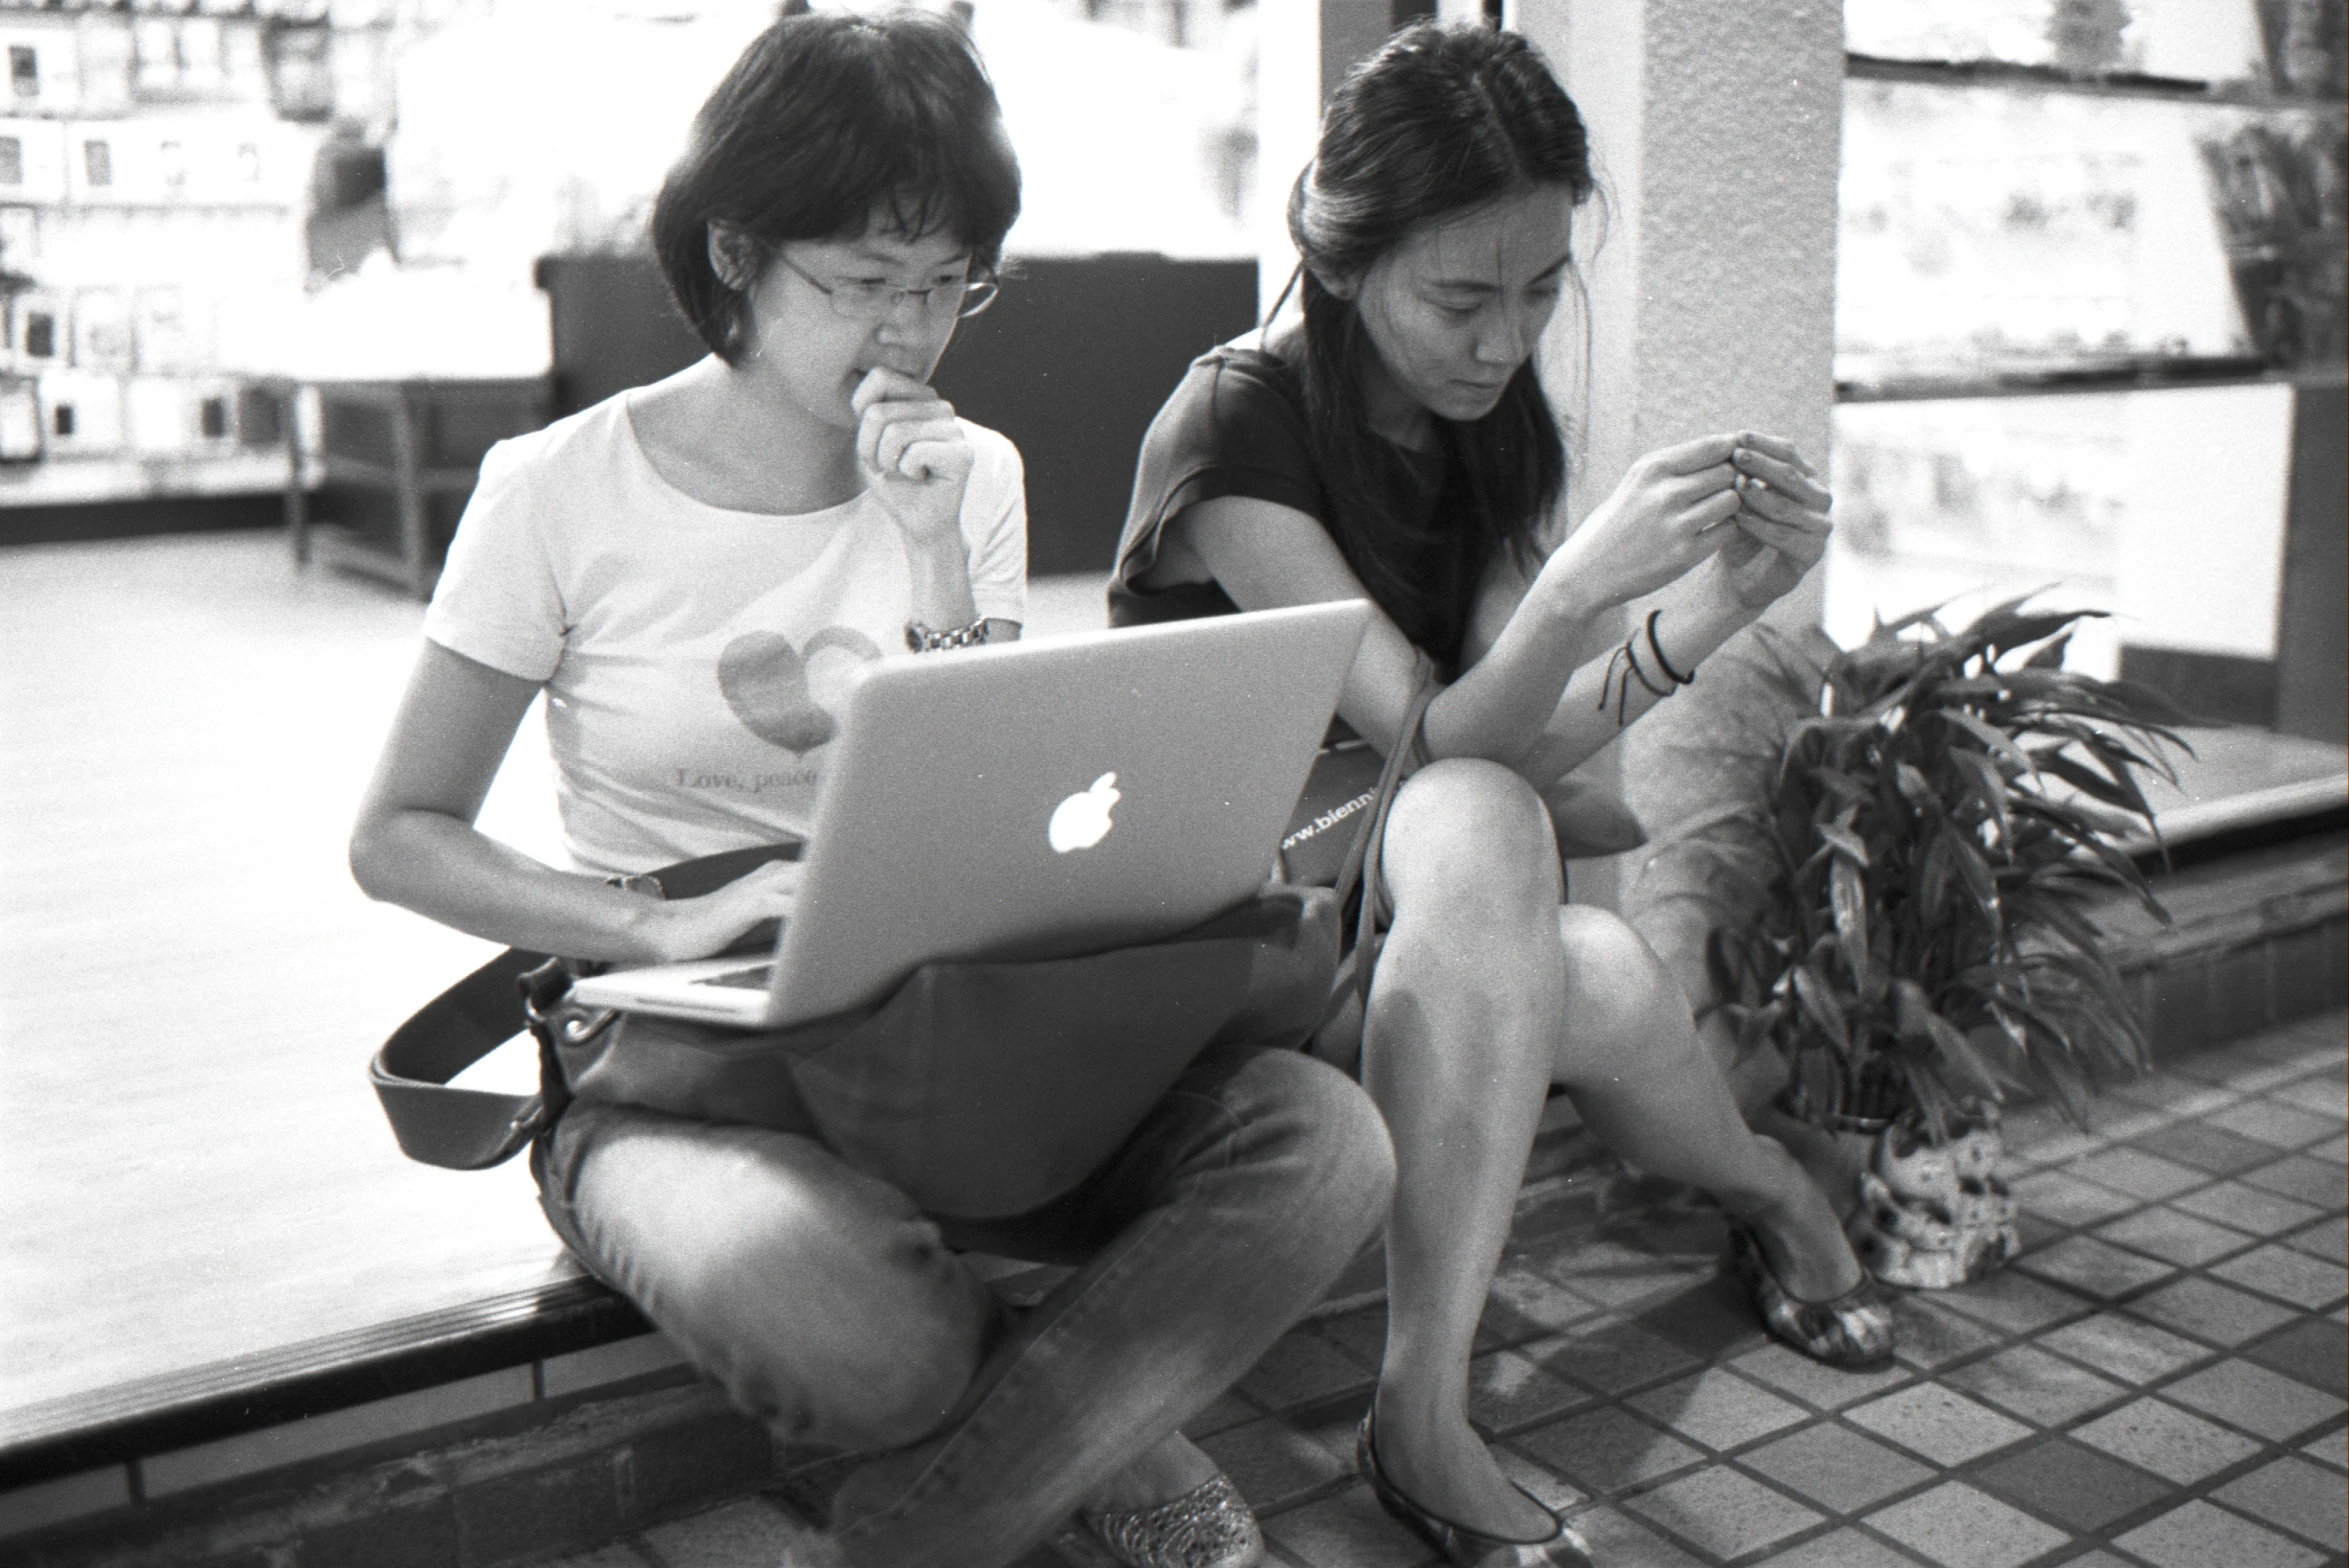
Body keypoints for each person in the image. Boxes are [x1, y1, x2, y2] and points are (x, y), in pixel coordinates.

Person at [349, 15, 1391, 1568]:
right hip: (681, 1056)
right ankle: (1096, 1418)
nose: (908, 332)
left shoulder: (973, 475)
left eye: (947, 283)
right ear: (737, 252)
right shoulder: (560, 491)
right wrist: (639, 927)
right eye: (861, 282)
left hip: (942, 1034)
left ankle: (911, 1537)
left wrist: (925, 549)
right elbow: (397, 839)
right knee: (855, 1334)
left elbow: (1001, 792)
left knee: (1325, 1147)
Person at [1113, 23, 1891, 1568]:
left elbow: (1520, 759)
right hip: (1221, 950)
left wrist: (1711, 608)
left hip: (1405, 930)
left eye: (1539, 292)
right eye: (1460, 297)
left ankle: (1707, 1222)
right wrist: (1584, 584)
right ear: (1336, 260)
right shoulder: (1235, 429)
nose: (1501, 340)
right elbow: (1431, 745)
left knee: (1577, 947)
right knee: (1505, 859)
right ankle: (1462, 1387)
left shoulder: (1477, 425)